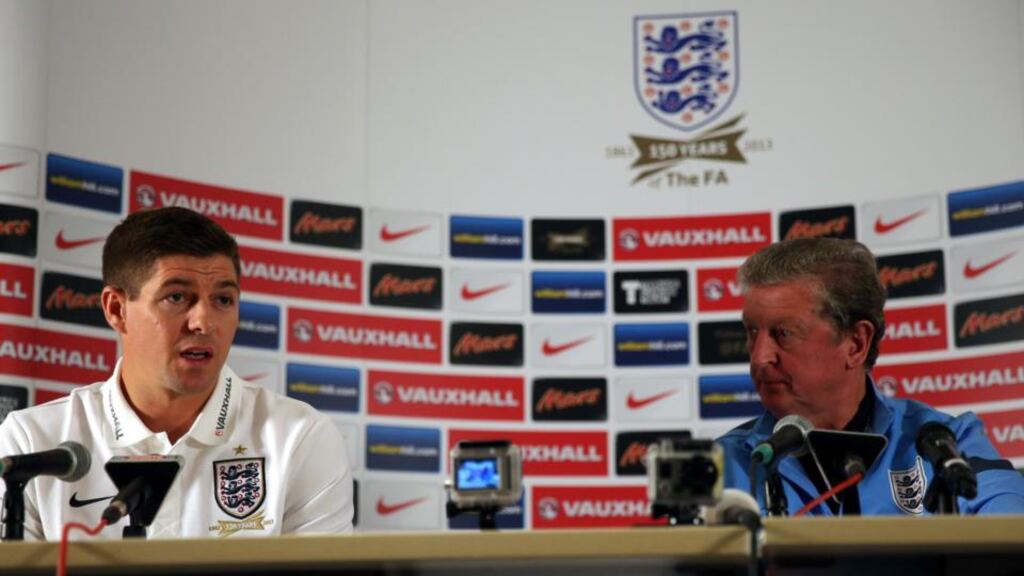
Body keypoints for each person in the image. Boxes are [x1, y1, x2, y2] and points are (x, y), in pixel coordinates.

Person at [0, 207, 354, 539]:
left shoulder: (300, 439)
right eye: (177, 297)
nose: (204, 322)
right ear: (116, 309)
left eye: (223, 300)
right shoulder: (31, 443)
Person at [717, 237, 1024, 515]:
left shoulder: (944, 444)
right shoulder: (720, 464)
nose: (760, 357)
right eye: (752, 332)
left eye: (783, 333)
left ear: (856, 344)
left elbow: (1010, 529)